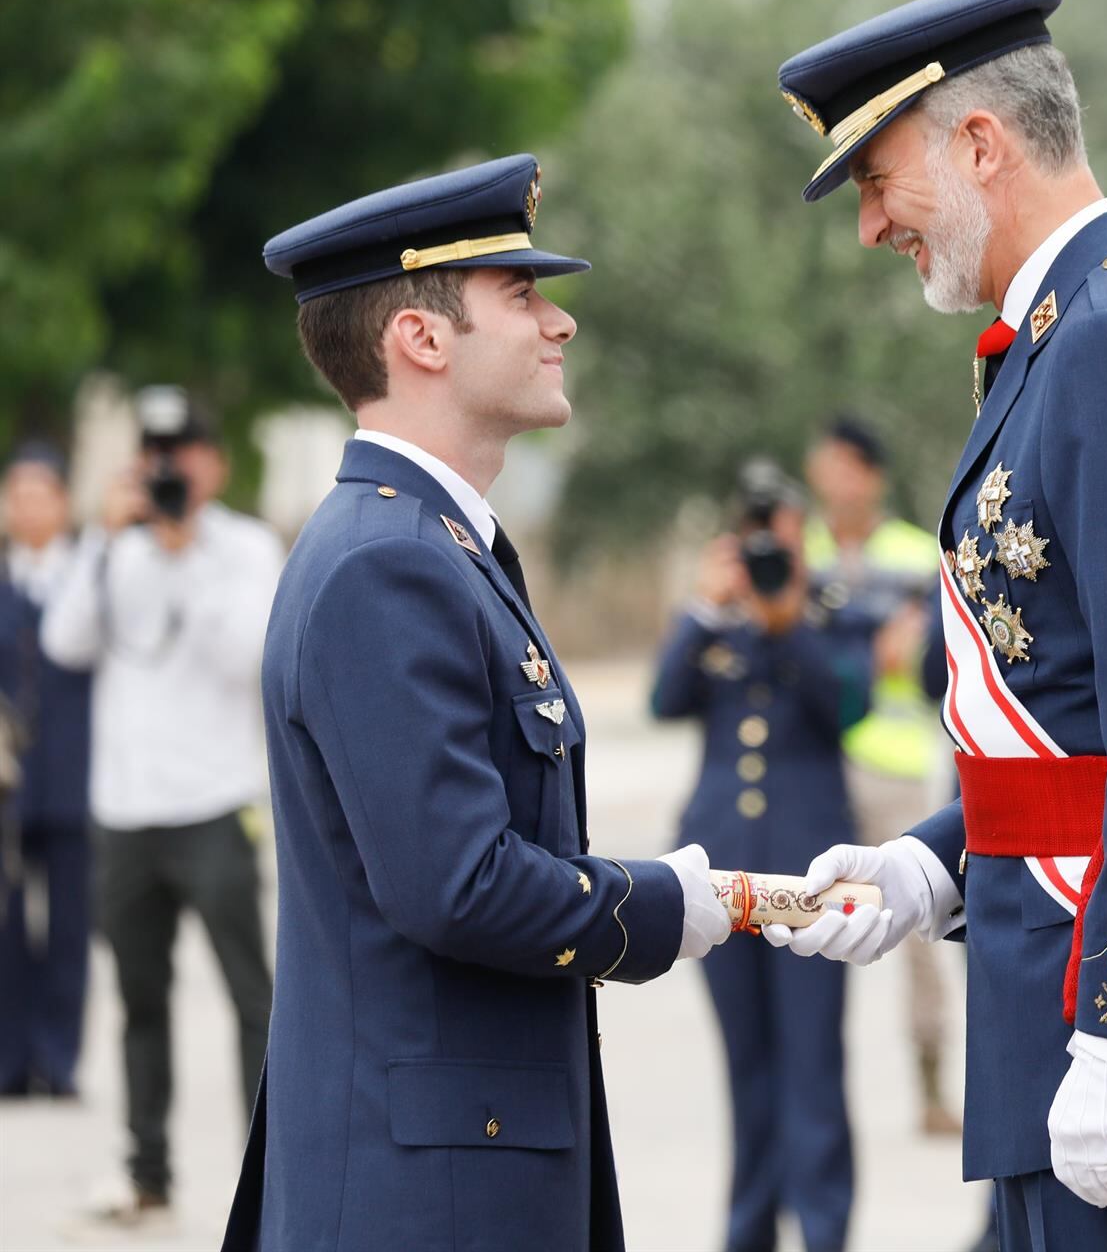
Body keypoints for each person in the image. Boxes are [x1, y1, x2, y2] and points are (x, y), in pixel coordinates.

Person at [765, 0, 1107, 1249]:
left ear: (978, 144)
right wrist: (933, 861)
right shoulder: (1078, 334)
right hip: (1048, 986)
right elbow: (1071, 715)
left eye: (877, 178)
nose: (868, 227)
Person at [226, 154, 732, 1251]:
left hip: (457, 1165)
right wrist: (661, 908)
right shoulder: (388, 566)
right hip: (427, 1193)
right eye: (523, 295)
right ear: (422, 337)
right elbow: (456, 882)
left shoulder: (437, 548)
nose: (561, 325)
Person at [39, 390, 280, 1233]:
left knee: (251, 998)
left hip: (213, 804)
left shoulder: (245, 549)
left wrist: (185, 555)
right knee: (141, 1000)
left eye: (183, 453)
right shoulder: (114, 550)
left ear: (213, 461)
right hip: (125, 811)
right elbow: (65, 643)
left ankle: (271, 1174)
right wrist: (106, 541)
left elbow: (247, 657)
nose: (170, 470)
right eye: (156, 455)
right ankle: (147, 1173)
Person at [652, 461, 870, 1252]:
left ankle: (823, 1231)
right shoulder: (718, 621)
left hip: (809, 874)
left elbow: (847, 705)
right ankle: (747, 1232)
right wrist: (705, 607)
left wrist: (789, 620)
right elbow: (663, 699)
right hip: (721, 872)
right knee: (747, 1069)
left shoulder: (830, 614)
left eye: (781, 534)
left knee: (812, 1066)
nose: (768, 551)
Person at [801, 415, 959, 1134]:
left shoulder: (911, 554)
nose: (830, 480)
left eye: (842, 466)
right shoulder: (800, 554)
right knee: (809, 921)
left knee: (919, 934)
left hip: (897, 768)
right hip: (825, 766)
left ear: (872, 474)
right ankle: (816, 1089)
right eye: (821, 465)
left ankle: (930, 1086)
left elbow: (931, 663)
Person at [0, 444, 93, 1101]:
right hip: (7, 783)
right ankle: (8, 1059)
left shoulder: (87, 575)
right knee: (5, 926)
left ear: (63, 503)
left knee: (68, 928)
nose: (28, 507)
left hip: (71, 775)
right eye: (17, 494)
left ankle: (58, 1059)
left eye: (41, 494)